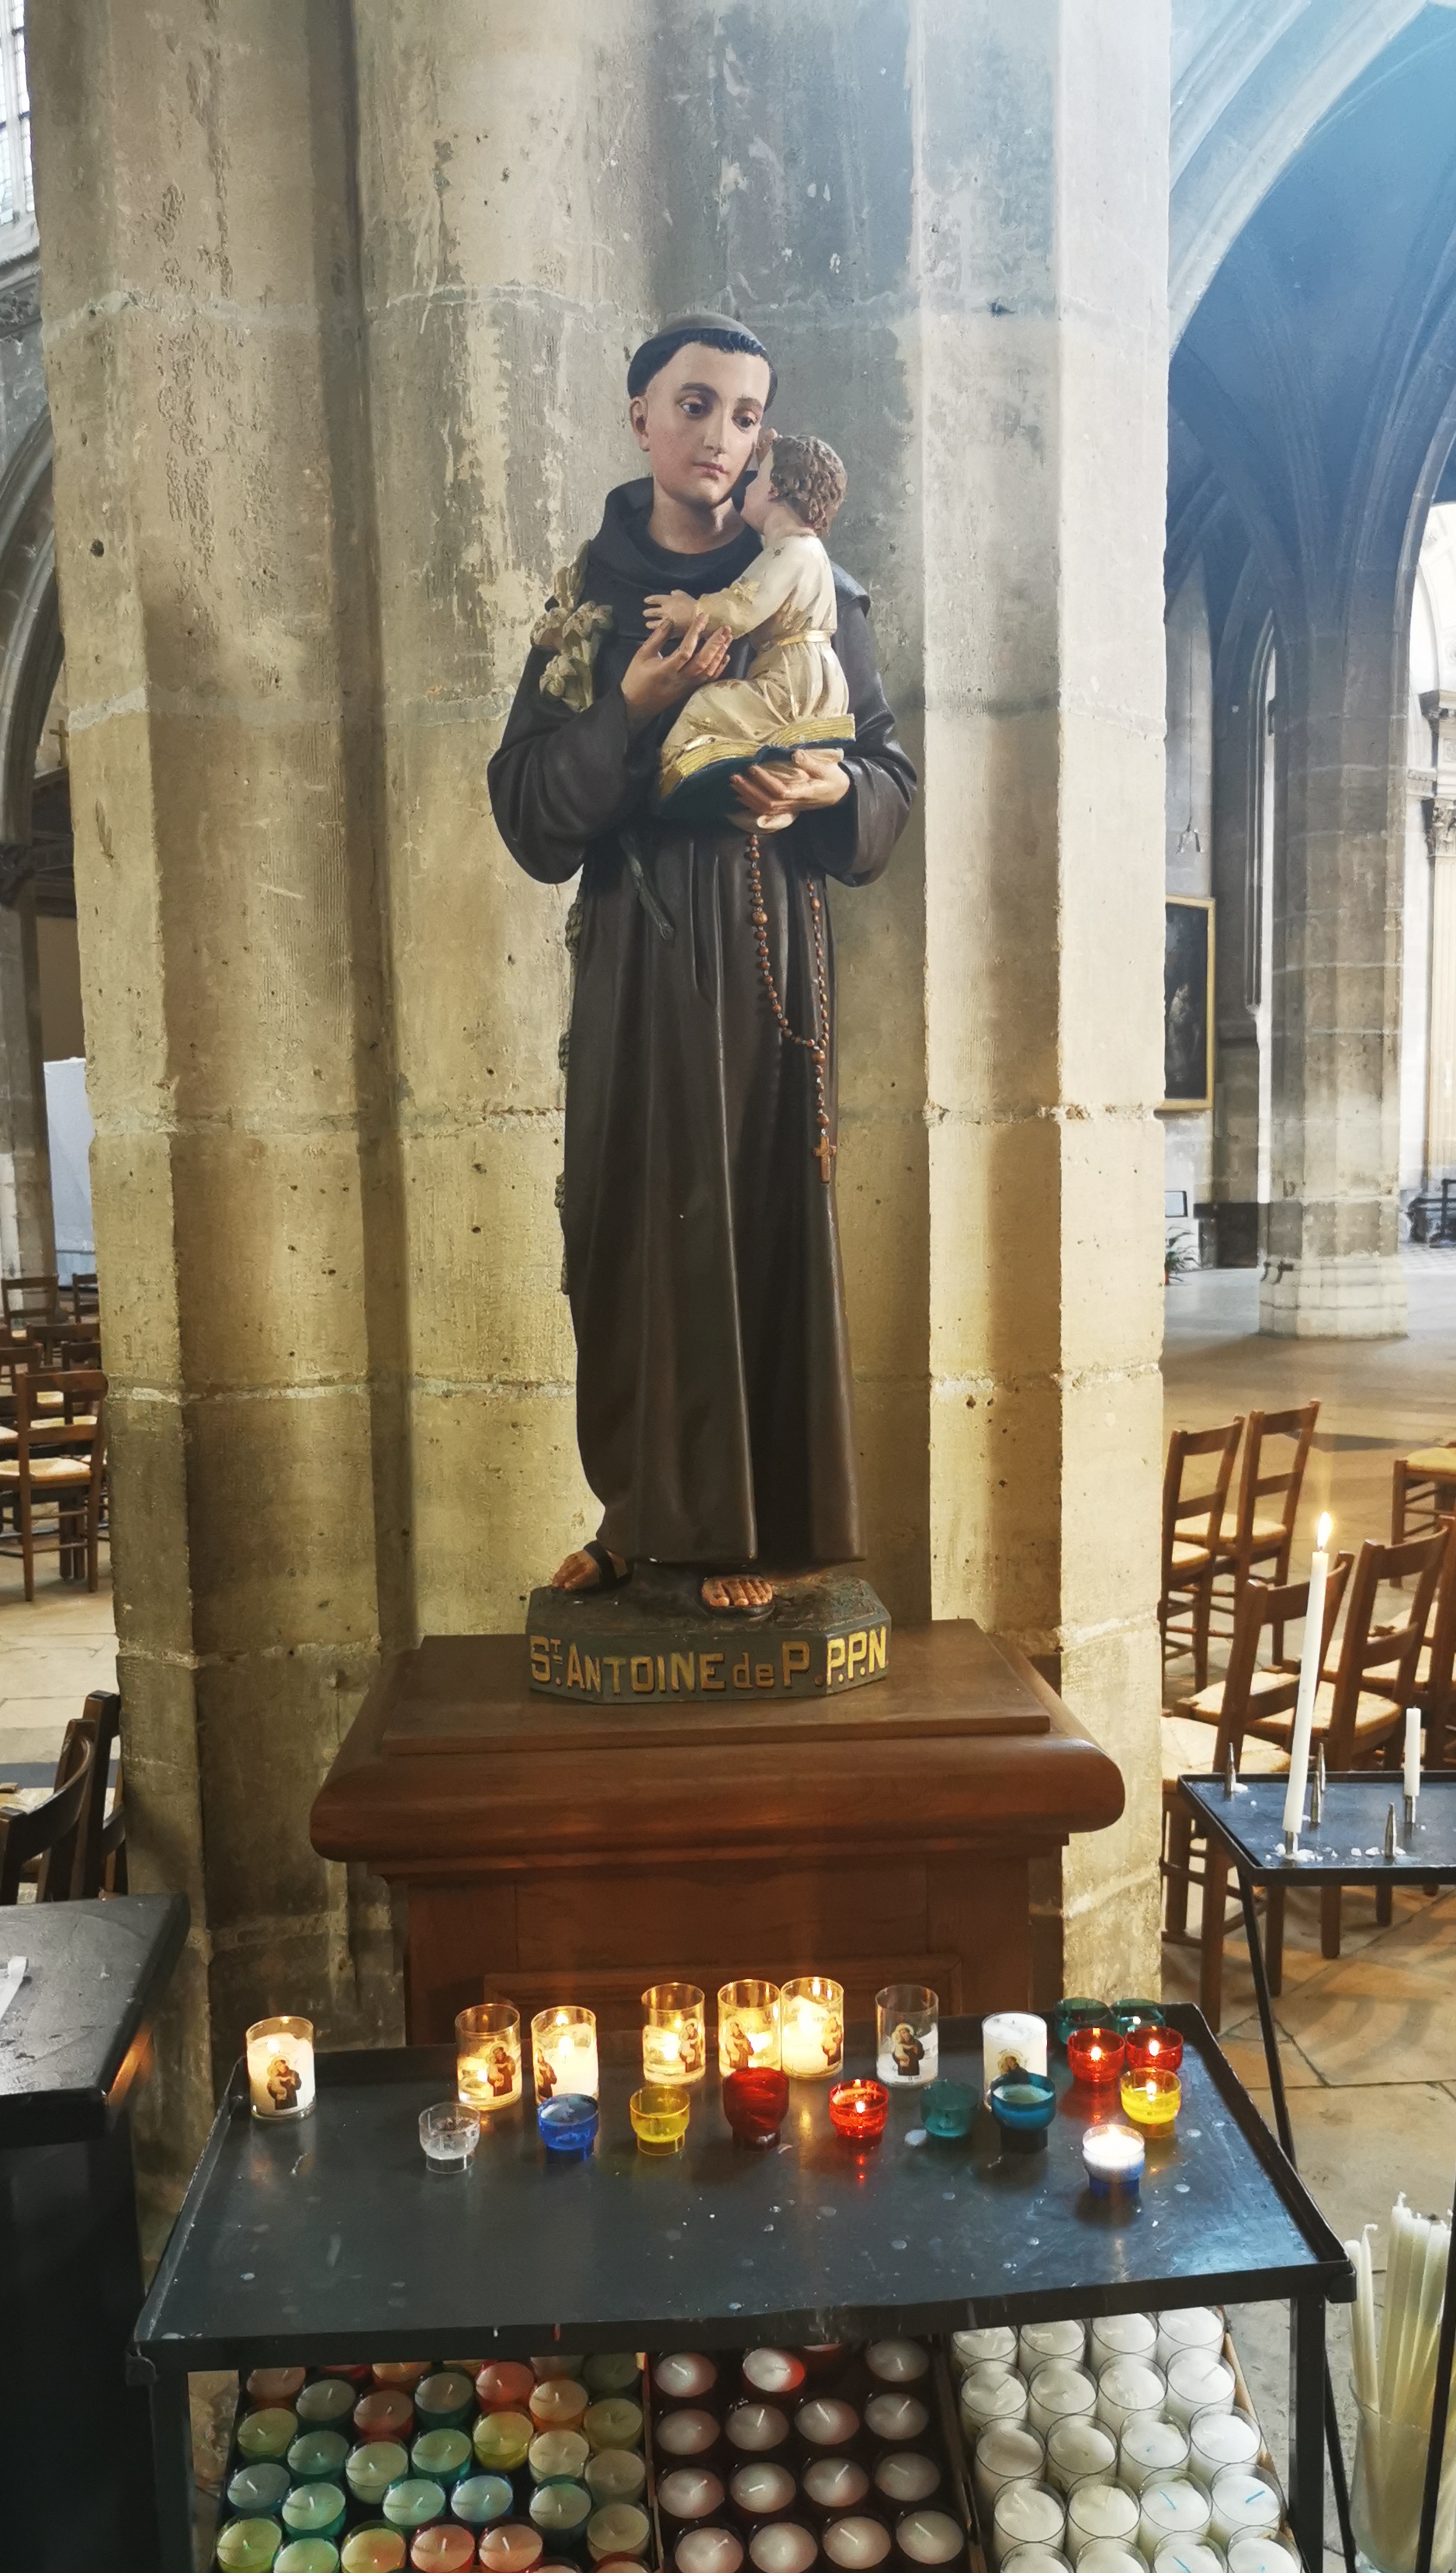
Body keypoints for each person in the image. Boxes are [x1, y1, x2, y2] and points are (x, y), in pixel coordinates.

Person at [488, 319, 917, 1614]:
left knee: (759, 1223)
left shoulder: (811, 577)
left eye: (744, 415)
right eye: (693, 404)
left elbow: (887, 779)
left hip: (766, 949)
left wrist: (828, 788)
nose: (720, 436)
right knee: (626, 1232)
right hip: (635, 952)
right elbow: (527, 810)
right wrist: (625, 708)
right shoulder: (590, 598)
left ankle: (761, 1532)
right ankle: (643, 1518)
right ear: (640, 417)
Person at [646, 431, 855, 820]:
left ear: (774, 490)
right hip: (810, 673)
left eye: (757, 479)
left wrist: (690, 611)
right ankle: (767, 779)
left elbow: (741, 608)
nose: (748, 485)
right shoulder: (804, 549)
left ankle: (678, 776)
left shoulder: (791, 551)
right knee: (763, 731)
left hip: (792, 678)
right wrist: (771, 457)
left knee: (710, 705)